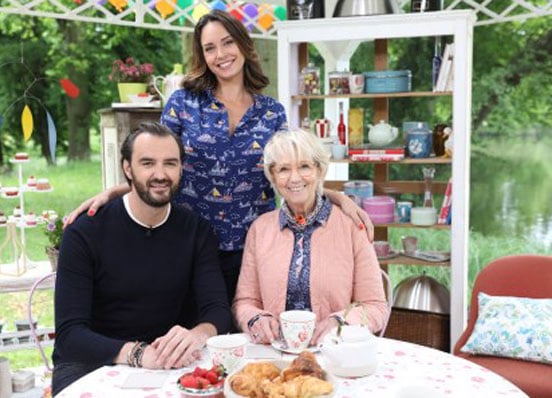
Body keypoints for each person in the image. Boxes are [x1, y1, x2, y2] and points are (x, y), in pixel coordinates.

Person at [66, 10, 372, 306]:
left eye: (227, 42)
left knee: (245, 331)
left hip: (252, 247)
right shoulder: (183, 103)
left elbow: (286, 171)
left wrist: (336, 197)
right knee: (196, 331)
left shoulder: (271, 112)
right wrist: (114, 192)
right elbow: (160, 164)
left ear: (243, 44)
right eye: (209, 48)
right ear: (203, 57)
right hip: (188, 242)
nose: (221, 54)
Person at [52, 122, 230, 395]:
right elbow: (70, 335)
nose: (160, 174)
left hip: (169, 360)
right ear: (127, 168)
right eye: (147, 163)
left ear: (181, 168)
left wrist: (198, 335)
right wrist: (137, 353)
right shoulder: (84, 233)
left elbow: (217, 309)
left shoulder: (196, 230)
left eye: (170, 163)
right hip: (91, 362)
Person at [232, 130, 388, 346]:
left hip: (335, 352)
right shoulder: (260, 230)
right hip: (275, 353)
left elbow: (375, 306)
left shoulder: (352, 226)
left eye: (304, 166)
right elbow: (245, 302)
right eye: (284, 169)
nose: (294, 178)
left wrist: (340, 322)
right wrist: (256, 319)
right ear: (273, 177)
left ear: (320, 170)